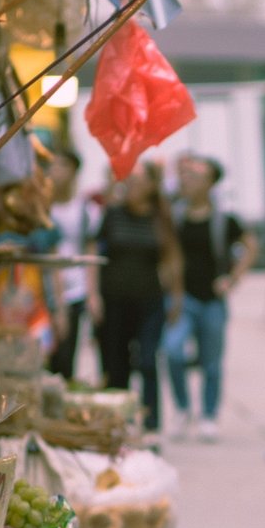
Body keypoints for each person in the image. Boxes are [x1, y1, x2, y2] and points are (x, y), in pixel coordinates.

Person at [164, 154, 259, 442]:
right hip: (182, 298)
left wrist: (232, 279)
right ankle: (182, 408)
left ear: (210, 184)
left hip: (212, 301)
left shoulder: (223, 220)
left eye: (196, 177)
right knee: (173, 351)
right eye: (186, 176)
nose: (188, 181)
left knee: (212, 362)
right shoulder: (174, 216)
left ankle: (208, 415)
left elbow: (251, 245)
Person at [93, 159, 182, 438]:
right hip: (115, 298)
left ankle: (151, 422)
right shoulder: (113, 213)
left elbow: (171, 257)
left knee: (147, 359)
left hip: (149, 300)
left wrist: (176, 295)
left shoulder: (160, 218)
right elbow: (95, 252)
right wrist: (93, 294)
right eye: (129, 179)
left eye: (138, 179)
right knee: (116, 362)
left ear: (152, 186)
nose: (131, 184)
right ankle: (117, 423)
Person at [48, 151, 100, 381]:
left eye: (62, 166)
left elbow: (91, 250)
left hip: (76, 289)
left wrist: (93, 293)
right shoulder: (44, 208)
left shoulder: (86, 209)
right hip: (47, 288)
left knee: (68, 352)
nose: (55, 172)